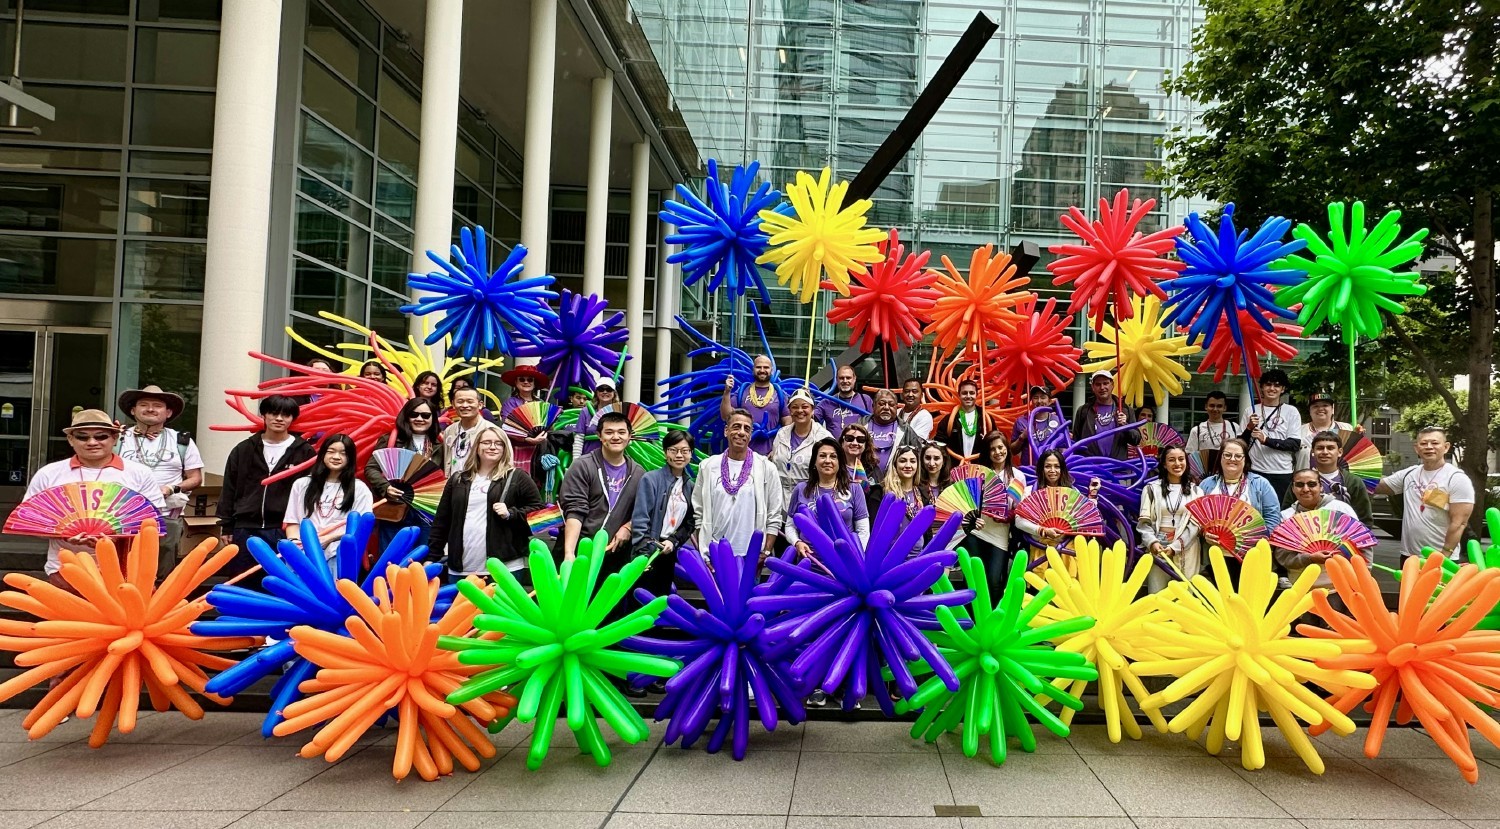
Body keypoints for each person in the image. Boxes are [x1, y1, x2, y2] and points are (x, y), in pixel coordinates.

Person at [25, 409, 164, 589]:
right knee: (67, 617)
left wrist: (114, 538)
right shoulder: (49, 474)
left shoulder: (139, 473)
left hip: (127, 571)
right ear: (71, 440)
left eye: (101, 437)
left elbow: (152, 523)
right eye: (82, 437)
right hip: (66, 569)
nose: (92, 442)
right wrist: (64, 534)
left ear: (114, 438)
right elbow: (31, 520)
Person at [427, 426, 543, 582]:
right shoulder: (458, 479)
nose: (492, 447)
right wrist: (432, 557)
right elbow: (442, 521)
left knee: (500, 607)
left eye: (498, 443)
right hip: (461, 567)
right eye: (486, 442)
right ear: (477, 447)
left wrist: (511, 513)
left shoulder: (517, 477)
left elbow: (539, 513)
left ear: (505, 447)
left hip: (505, 567)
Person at [218, 395, 317, 574]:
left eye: (285, 415)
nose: (279, 419)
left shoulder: (304, 451)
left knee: (280, 581)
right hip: (245, 528)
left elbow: (310, 492)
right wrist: (227, 525)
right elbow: (229, 488)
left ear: (292, 419)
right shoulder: (244, 449)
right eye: (273, 413)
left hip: (284, 529)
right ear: (263, 415)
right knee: (243, 581)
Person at [116, 385, 203, 575]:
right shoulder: (118, 438)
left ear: (168, 412)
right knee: (122, 569)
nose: (150, 409)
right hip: (122, 515)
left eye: (157, 405)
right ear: (133, 410)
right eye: (144, 404)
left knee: (162, 571)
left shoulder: (181, 441)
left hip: (165, 514)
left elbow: (195, 478)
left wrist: (171, 488)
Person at [693, 409, 784, 559]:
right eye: (736, 427)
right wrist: (705, 552)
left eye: (746, 429)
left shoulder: (766, 467)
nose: (741, 432)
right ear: (726, 431)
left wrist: (765, 552)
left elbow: (774, 514)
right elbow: (699, 513)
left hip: (752, 556)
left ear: (750, 435)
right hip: (716, 553)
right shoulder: (708, 466)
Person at [1376, 426, 1475, 561]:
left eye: (1434, 443)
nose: (1429, 447)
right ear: (1416, 448)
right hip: (1409, 556)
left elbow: (1459, 523)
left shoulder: (1457, 478)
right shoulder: (1409, 474)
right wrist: (1351, 468)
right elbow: (1379, 487)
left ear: (1446, 447)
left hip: (1442, 558)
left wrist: (1444, 555)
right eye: (1423, 443)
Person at [558, 410, 644, 561]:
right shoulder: (582, 466)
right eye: (609, 432)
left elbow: (643, 511)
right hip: (581, 550)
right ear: (599, 435)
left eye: (621, 432)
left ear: (630, 436)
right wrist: (569, 553)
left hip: (616, 553)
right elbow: (575, 510)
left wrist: (628, 527)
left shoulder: (639, 473)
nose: (616, 437)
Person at [1275, 468, 1367, 603]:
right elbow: (1282, 557)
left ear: (1321, 487)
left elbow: (1361, 544)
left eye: (1312, 484)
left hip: (1338, 589)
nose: (1305, 489)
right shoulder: (1285, 517)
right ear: (1293, 489)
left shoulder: (1341, 509)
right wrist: (1310, 558)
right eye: (1300, 485)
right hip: (1301, 589)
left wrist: (1363, 576)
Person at [365, 397, 442, 549]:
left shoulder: (440, 445)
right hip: (395, 509)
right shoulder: (391, 440)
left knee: (422, 559)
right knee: (391, 561)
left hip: (426, 512)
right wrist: (385, 487)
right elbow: (371, 468)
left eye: (426, 415)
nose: (419, 418)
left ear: (433, 418)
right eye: (414, 414)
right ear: (406, 416)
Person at [282, 434, 373, 559]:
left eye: (343, 453)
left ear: (350, 458)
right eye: (331, 452)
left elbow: (359, 527)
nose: (336, 457)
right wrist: (295, 544)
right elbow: (292, 521)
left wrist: (328, 539)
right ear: (322, 454)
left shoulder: (360, 489)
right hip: (303, 554)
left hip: (338, 554)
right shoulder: (301, 484)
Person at [631, 429, 697, 598]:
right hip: (647, 550)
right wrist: (644, 551)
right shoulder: (651, 479)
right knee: (640, 599)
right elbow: (640, 518)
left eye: (685, 451)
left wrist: (673, 541)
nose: (679, 455)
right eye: (673, 450)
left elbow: (690, 523)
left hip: (668, 551)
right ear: (665, 451)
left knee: (661, 600)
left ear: (691, 454)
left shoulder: (691, 487)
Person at [963, 432, 1027, 588]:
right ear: (987, 452)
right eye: (992, 449)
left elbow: (1021, 509)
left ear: (1007, 448)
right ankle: (970, 613)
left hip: (1000, 534)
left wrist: (1008, 516)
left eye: (1001, 447)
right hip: (976, 531)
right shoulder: (977, 473)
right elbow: (965, 503)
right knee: (973, 580)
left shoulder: (1018, 476)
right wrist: (971, 518)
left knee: (993, 581)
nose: (998, 452)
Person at [785, 437, 870, 552]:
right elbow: (790, 526)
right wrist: (797, 542)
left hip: (844, 560)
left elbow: (863, 530)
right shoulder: (801, 489)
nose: (828, 460)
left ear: (840, 462)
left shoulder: (854, 488)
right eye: (822, 456)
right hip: (809, 560)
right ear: (814, 461)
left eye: (833, 456)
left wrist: (856, 555)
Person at [1137, 446, 1202, 594]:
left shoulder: (1197, 491)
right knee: (1157, 595)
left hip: (1187, 548)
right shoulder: (1151, 489)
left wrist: (1176, 547)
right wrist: (1152, 542)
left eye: (1181, 459)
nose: (1177, 464)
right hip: (1158, 549)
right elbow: (1144, 523)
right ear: (1164, 464)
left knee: (1185, 596)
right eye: (1171, 460)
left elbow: (1195, 525)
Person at [1199, 437, 1283, 539]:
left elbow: (1272, 517)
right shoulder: (1206, 484)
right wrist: (1204, 533)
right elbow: (1197, 519)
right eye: (1227, 455)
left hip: (1251, 550)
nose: (1232, 459)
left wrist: (1260, 541)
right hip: (1213, 549)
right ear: (1220, 457)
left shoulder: (1261, 484)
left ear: (1245, 459)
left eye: (1238, 456)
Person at [1014, 449, 1097, 551]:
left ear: (1062, 469)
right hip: (1039, 548)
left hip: (1069, 550)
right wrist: (1043, 530)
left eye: (1057, 466)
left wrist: (1093, 495)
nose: (1052, 470)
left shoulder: (1072, 492)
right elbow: (1019, 521)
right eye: (1048, 466)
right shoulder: (1029, 492)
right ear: (1041, 469)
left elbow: (1085, 516)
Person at [1242, 368, 1301, 501]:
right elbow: (1241, 444)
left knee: (1280, 512)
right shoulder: (1250, 410)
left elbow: (1294, 444)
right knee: (1255, 510)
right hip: (1255, 471)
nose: (1272, 388)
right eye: (1268, 384)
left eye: (1277, 385)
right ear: (1262, 387)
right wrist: (1249, 428)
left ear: (1283, 389)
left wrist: (1266, 440)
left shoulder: (1291, 411)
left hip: (1282, 472)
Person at [1295, 430, 1374, 527]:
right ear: (1312, 452)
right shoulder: (1301, 480)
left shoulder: (1354, 482)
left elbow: (1364, 519)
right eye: (1320, 448)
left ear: (1340, 452)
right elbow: (1289, 512)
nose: (1325, 452)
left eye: (1330, 448)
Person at [771, 388, 832, 502]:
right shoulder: (781, 434)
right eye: (795, 407)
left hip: (809, 500)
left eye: (805, 406)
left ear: (812, 410)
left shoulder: (823, 437)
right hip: (780, 500)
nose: (800, 410)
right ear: (789, 410)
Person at [722, 354, 790, 455]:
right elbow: (726, 416)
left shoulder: (780, 394)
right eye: (759, 367)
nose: (762, 370)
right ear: (753, 369)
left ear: (771, 370)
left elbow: (788, 425)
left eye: (766, 367)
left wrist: (778, 450)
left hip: (770, 456)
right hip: (742, 454)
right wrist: (727, 391)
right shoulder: (742, 391)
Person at [498, 365, 552, 481]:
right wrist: (526, 439)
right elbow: (506, 427)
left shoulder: (541, 403)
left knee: (536, 483)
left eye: (530, 379)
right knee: (516, 482)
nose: (526, 382)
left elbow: (549, 425)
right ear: (516, 382)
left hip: (539, 451)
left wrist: (545, 434)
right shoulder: (510, 403)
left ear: (534, 383)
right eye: (522, 379)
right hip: (517, 450)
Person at [1071, 370, 1140, 459]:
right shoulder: (1083, 410)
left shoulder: (1125, 410)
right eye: (1098, 384)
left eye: (1105, 383)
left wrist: (1125, 426)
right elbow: (1076, 441)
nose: (1102, 387)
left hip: (1118, 468)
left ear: (1112, 385)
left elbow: (1136, 440)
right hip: (1090, 468)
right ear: (1093, 387)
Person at [867, 444, 924, 544]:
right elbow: (874, 530)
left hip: (918, 556)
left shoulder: (922, 493)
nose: (908, 465)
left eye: (913, 461)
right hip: (890, 556)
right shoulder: (881, 492)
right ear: (894, 464)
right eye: (902, 461)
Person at [865, 389, 923, 474]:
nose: (886, 407)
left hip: (896, 482)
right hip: (864, 482)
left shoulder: (906, 430)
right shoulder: (861, 426)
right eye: (882, 404)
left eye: (891, 405)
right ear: (873, 406)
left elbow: (918, 457)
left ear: (896, 407)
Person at [1297, 391, 1355, 468]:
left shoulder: (1347, 428)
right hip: (1305, 478)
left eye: (1325, 405)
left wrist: (1358, 436)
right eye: (1315, 406)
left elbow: (1355, 454)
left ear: (1332, 409)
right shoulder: (1299, 431)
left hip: (1338, 478)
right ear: (1309, 410)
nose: (1320, 409)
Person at [1186, 391, 1239, 477]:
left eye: (1219, 406)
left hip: (1229, 473)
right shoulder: (1197, 430)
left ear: (1225, 408)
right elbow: (1190, 456)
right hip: (1204, 476)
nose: (1215, 409)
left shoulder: (1234, 428)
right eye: (1212, 405)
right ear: (1206, 406)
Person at [440, 387, 489, 477]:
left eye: (470, 401)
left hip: (481, 486)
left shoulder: (491, 431)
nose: (465, 405)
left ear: (480, 405)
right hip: (453, 485)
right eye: (460, 401)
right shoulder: (449, 431)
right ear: (453, 405)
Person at [1010, 385, 1063, 467]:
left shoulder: (1059, 420)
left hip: (1052, 471)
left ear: (1049, 401)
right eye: (1035, 397)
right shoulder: (1021, 421)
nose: (1039, 401)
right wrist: (1022, 437)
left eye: (1043, 397)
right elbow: (1012, 451)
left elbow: (1064, 448)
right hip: (1029, 471)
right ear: (1031, 401)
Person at [815, 365, 873, 437]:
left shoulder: (866, 400)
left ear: (854, 379)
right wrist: (805, 398)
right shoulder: (826, 402)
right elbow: (808, 420)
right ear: (836, 380)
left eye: (848, 378)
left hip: (857, 446)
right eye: (841, 378)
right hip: (834, 447)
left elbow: (875, 425)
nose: (845, 381)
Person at [939, 379, 985, 462]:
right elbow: (939, 444)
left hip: (980, 469)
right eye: (964, 393)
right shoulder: (948, 420)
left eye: (972, 393)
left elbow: (995, 441)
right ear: (959, 395)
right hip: (955, 468)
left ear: (977, 395)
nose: (968, 396)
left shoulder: (985, 419)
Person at [572, 379, 621, 457]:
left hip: (612, 458)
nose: (605, 392)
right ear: (597, 393)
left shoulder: (620, 412)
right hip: (588, 459)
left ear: (614, 393)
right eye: (601, 389)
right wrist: (576, 460)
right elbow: (579, 438)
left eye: (608, 389)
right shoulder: (586, 411)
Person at [839, 422, 879, 488]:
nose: (854, 443)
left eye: (860, 440)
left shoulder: (873, 469)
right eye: (849, 438)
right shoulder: (834, 465)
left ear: (866, 445)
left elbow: (877, 494)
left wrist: (864, 485)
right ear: (842, 442)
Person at [915, 441, 951, 507]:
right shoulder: (915, 484)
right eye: (928, 458)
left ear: (944, 461)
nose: (931, 463)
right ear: (922, 460)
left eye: (936, 458)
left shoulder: (951, 486)